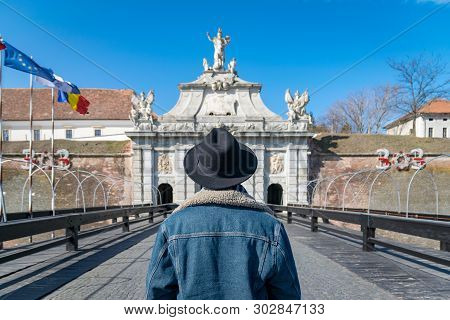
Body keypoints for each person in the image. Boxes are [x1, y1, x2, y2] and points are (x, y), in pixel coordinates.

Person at [146, 128, 301, 299]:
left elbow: (156, 294)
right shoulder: (271, 227)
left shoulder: (172, 226)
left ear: (199, 173)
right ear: (240, 171)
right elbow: (288, 296)